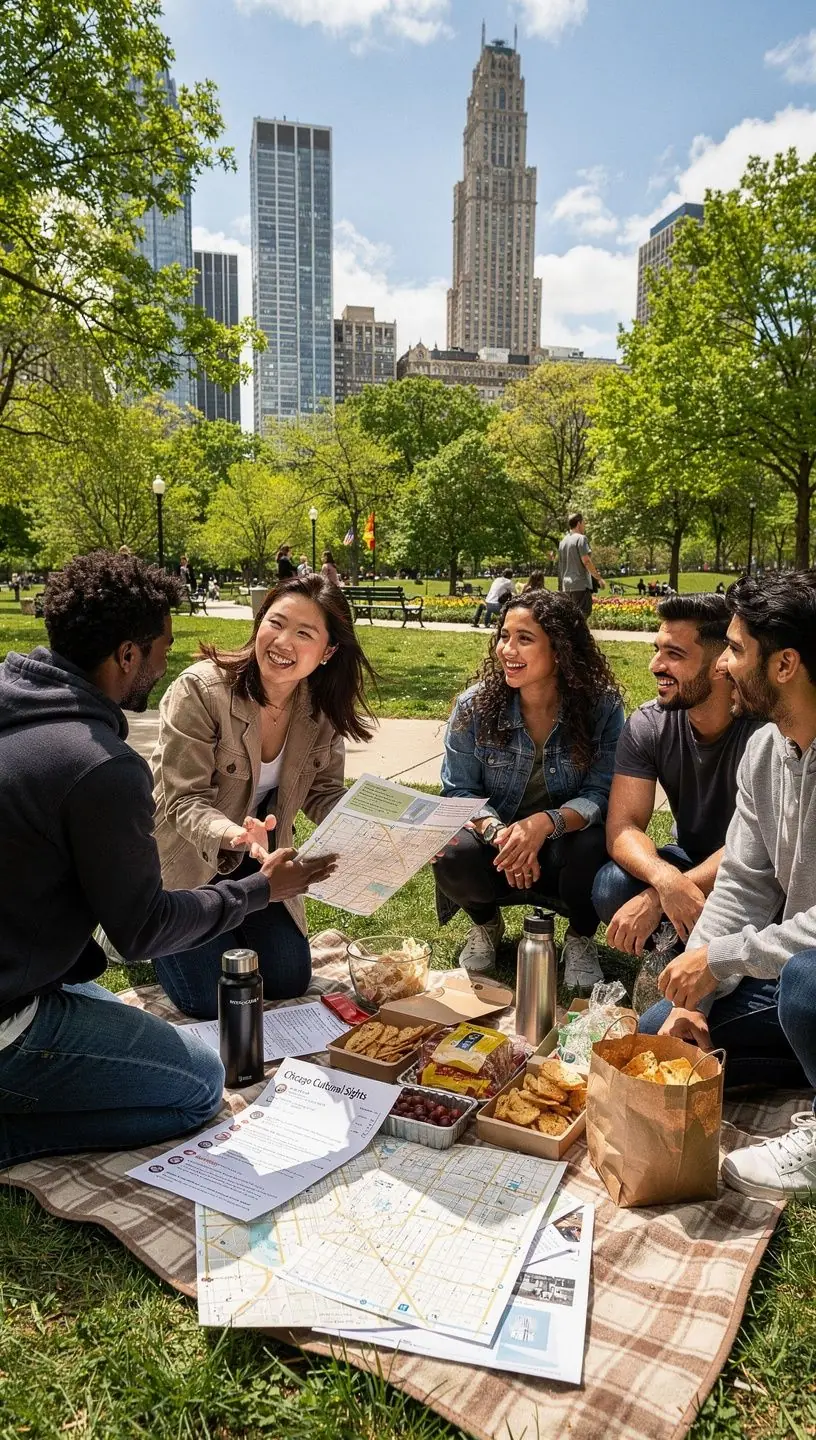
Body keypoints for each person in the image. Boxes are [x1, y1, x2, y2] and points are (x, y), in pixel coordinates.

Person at [0, 551, 335, 1169]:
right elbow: (142, 929)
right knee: (200, 1086)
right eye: (162, 646)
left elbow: (325, 790)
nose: (164, 661)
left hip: (31, 978)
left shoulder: (17, 701)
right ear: (129, 654)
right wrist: (258, 886)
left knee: (280, 977)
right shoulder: (98, 762)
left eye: (304, 633)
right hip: (13, 1016)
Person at [640, 572, 816, 1199]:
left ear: (786, 663)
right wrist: (697, 988)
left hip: (808, 969)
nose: (724, 666)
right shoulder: (766, 750)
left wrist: (724, 958)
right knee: (666, 1025)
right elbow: (742, 882)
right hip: (792, 969)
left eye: (737, 650)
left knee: (806, 982)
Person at [151, 574, 375, 1019]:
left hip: (260, 863)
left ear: (328, 652)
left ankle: (223, 927)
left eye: (304, 633)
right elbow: (183, 801)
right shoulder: (200, 690)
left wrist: (378, 824)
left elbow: (324, 792)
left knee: (289, 978)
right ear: (259, 623)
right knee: (210, 998)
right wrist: (237, 833)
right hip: (187, 862)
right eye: (276, 622)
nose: (282, 641)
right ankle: (150, 927)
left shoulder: (319, 708)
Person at [434, 590, 625, 989]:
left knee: (596, 842)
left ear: (560, 650)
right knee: (449, 847)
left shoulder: (601, 707)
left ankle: (579, 937)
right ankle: (487, 924)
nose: (507, 649)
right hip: (497, 852)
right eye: (504, 636)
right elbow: (458, 792)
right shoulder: (473, 707)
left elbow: (602, 792)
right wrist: (501, 835)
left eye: (524, 639)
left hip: (564, 850)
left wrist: (544, 824)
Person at [592, 595, 761, 955]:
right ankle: (683, 949)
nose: (656, 665)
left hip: (754, 873)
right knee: (611, 886)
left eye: (674, 654)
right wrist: (664, 879)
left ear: (721, 663)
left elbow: (754, 847)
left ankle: (707, 955)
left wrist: (659, 897)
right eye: (657, 650)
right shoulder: (649, 724)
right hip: (688, 858)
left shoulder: (763, 729)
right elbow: (623, 827)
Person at [557, 512, 604, 619]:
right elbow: (586, 561)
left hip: (567, 586)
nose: (584, 526)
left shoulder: (563, 541)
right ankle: (578, 636)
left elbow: (561, 566)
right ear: (579, 523)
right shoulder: (581, 538)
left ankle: (571, 635)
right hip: (580, 585)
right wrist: (599, 578)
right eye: (584, 523)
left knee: (572, 616)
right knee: (582, 614)